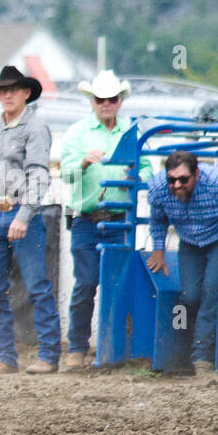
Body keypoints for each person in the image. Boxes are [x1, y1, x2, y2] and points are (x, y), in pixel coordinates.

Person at [59, 70, 153, 370]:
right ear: (93, 102)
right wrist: (84, 162)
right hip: (87, 218)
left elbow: (150, 169)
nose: (106, 104)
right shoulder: (77, 134)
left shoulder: (131, 133)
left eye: (111, 99)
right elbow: (66, 175)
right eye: (101, 99)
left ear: (119, 101)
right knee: (86, 283)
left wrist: (136, 176)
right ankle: (77, 346)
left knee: (118, 283)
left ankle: (114, 347)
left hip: (119, 218)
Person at [0, 65, 60, 374]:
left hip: (22, 212)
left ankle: (49, 356)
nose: (7, 95)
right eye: (3, 90)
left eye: (13, 89)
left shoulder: (35, 127)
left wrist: (23, 216)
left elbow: (38, 175)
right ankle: (4, 357)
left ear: (26, 93)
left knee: (37, 285)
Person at [144, 150, 218, 375]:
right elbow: (157, 219)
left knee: (211, 291)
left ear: (197, 175)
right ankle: (182, 351)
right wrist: (158, 251)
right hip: (189, 241)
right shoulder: (157, 189)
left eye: (183, 179)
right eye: (172, 180)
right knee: (188, 297)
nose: (177, 185)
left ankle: (201, 357)